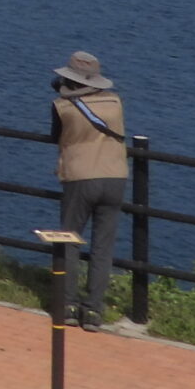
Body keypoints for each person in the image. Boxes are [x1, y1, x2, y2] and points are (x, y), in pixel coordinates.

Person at [50, 51, 128, 332]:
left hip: (81, 177)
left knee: (69, 241)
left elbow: (56, 135)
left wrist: (63, 92)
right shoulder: (115, 102)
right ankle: (93, 310)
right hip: (115, 178)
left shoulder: (63, 106)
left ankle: (68, 305)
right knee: (102, 247)